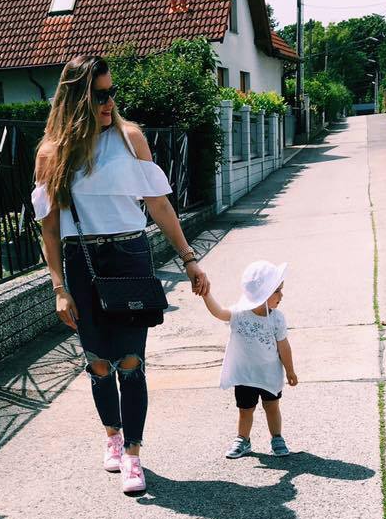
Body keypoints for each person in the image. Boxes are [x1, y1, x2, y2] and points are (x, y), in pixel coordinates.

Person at [31, 55, 210, 494]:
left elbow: (159, 204)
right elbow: (49, 229)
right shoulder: (51, 153)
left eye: (111, 93)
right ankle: (111, 435)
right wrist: (58, 287)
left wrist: (189, 258)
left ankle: (133, 455)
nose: (109, 102)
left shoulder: (130, 139)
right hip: (82, 262)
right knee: (96, 362)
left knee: (131, 361)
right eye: (99, 95)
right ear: (76, 99)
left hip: (130, 255)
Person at [201, 260, 297, 459]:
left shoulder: (277, 318)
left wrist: (290, 370)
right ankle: (243, 439)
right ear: (263, 294)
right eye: (277, 291)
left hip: (269, 374)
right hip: (245, 375)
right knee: (245, 410)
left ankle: (277, 437)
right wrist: (206, 294)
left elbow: (284, 346)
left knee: (272, 407)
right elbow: (219, 312)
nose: (281, 295)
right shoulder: (239, 314)